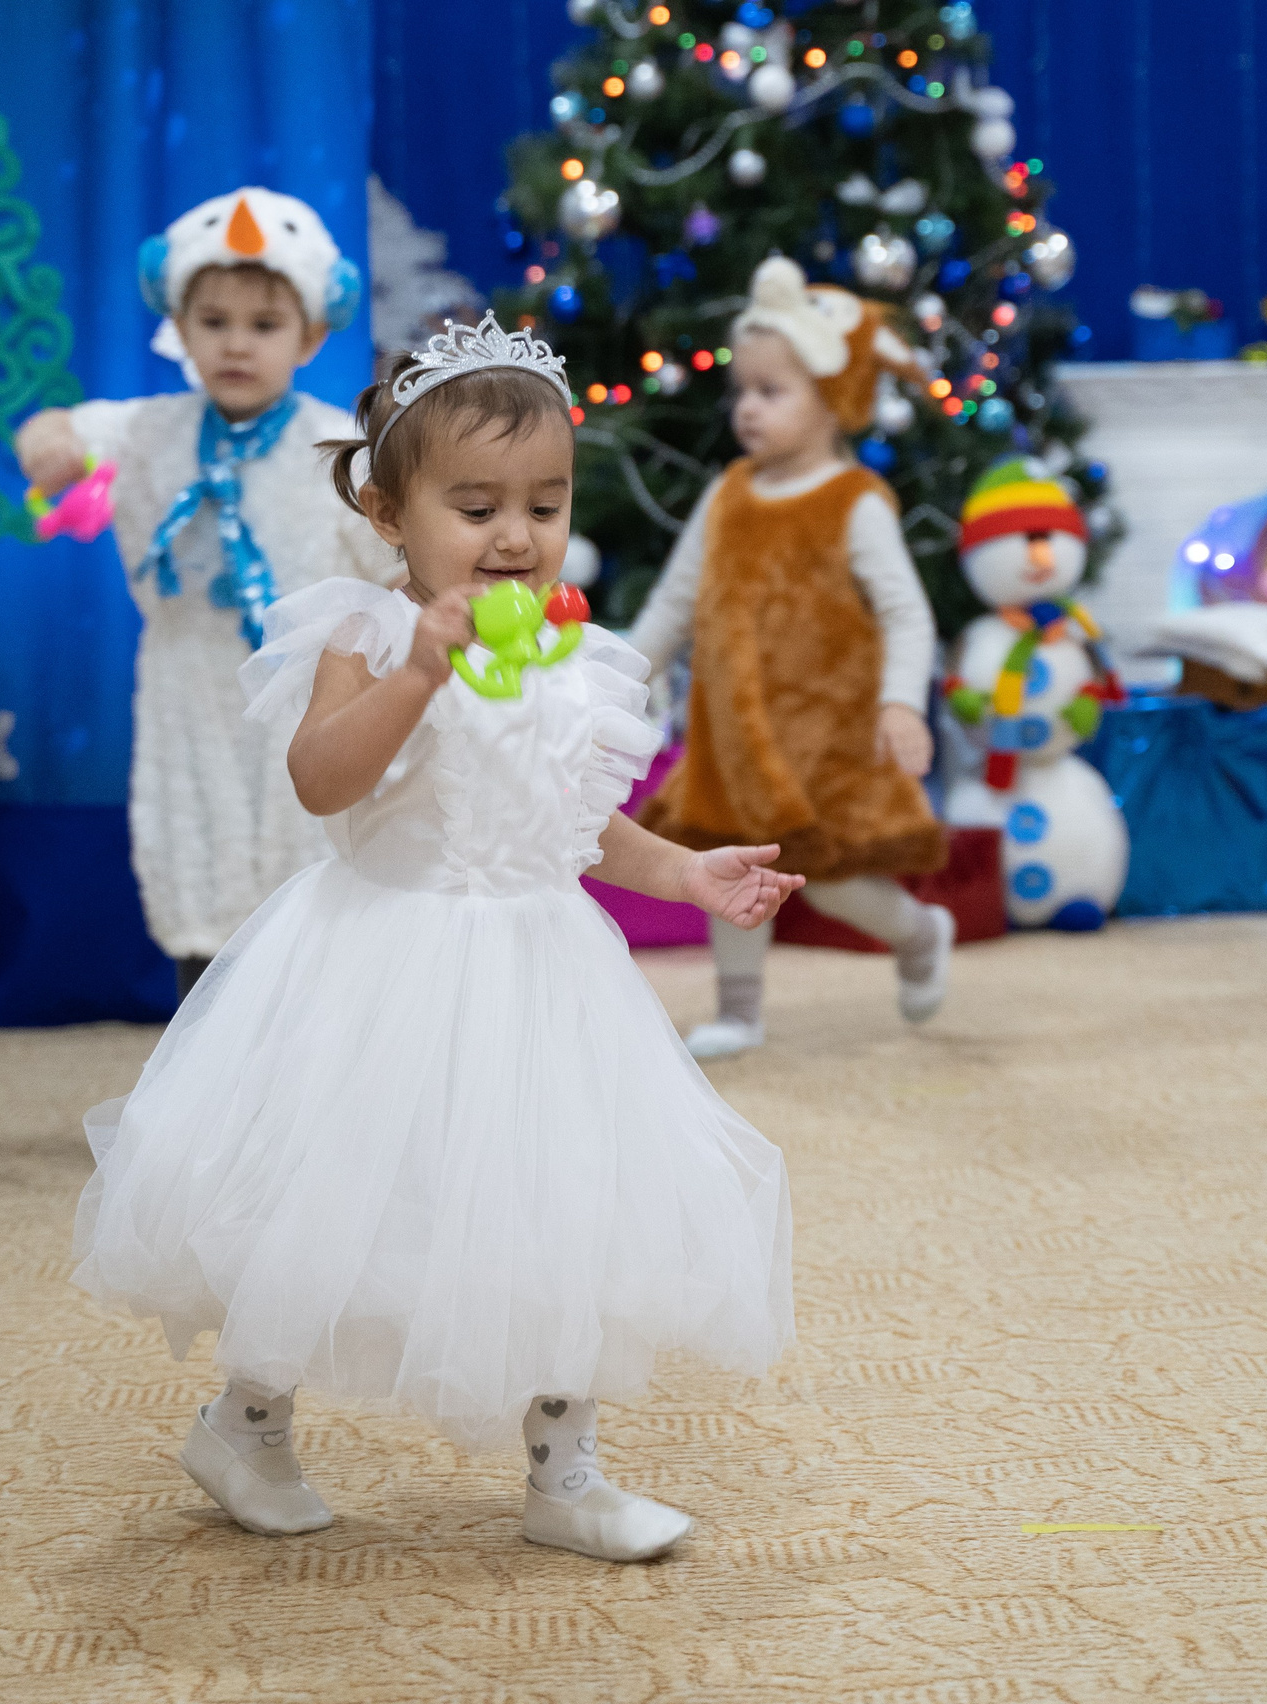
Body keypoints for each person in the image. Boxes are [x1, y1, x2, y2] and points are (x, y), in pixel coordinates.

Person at [70, 315, 797, 1563]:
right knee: (330, 1207)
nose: (514, 534)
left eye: (542, 503)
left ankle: (565, 1473)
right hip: (381, 967)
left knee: (567, 1207)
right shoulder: (361, 634)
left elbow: (579, 823)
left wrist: (684, 870)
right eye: (474, 506)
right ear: (390, 514)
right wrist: (415, 671)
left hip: (543, 972)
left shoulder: (569, 653)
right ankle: (245, 1423)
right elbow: (321, 782)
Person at [14, 189, 394, 995]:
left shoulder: (337, 447)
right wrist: (45, 446)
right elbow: (55, 431)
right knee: (196, 855)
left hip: (307, 694)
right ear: (179, 329)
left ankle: (310, 1065)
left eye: (263, 326)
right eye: (213, 322)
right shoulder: (149, 427)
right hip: (189, 686)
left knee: (307, 863)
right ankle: (207, 1065)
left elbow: (395, 552)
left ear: (312, 335)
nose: (235, 345)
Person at [629, 255, 952, 1059]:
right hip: (736, 735)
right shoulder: (728, 492)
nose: (748, 409)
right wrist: (619, 680)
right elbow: (674, 600)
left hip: (829, 741)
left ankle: (917, 932)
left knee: (837, 877)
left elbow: (908, 616)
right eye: (743, 391)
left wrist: (901, 704)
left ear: (833, 399)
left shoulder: (856, 505)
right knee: (726, 863)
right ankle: (739, 1011)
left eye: (772, 393)